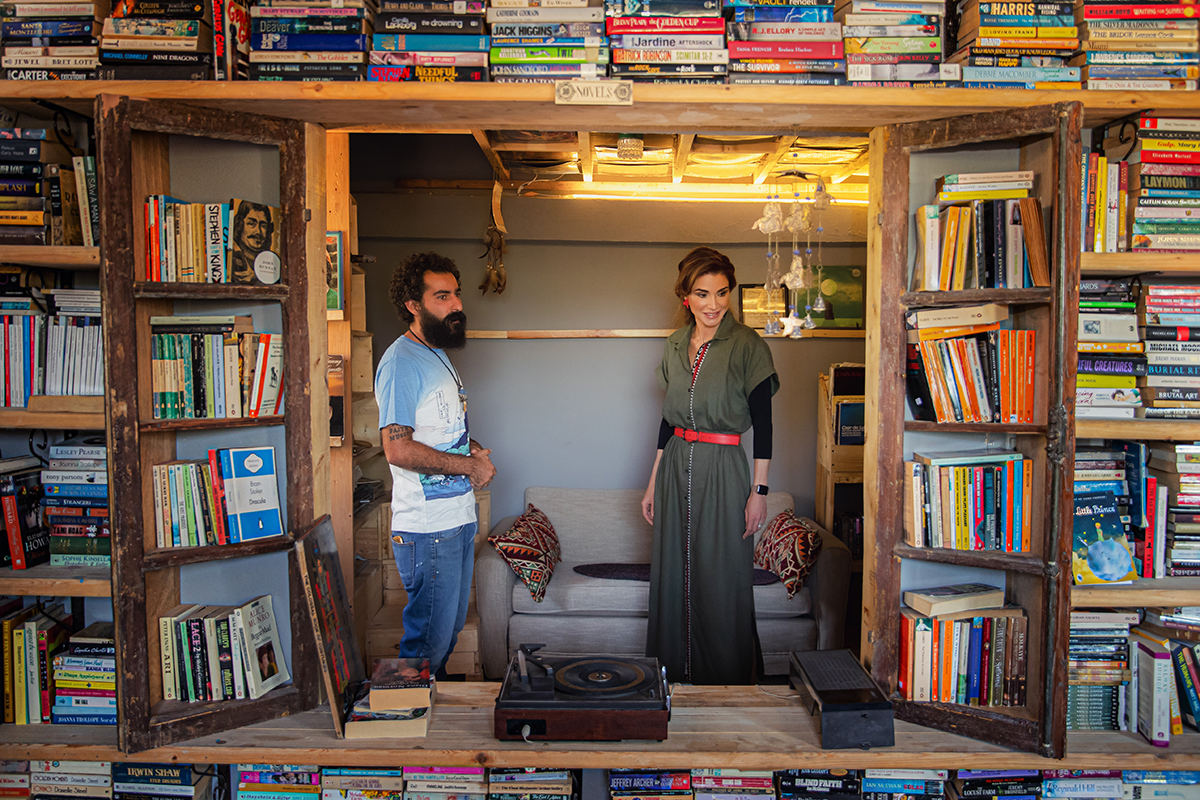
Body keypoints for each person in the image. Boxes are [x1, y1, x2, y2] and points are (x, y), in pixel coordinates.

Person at [641, 246, 778, 685]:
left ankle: (727, 683)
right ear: (686, 296)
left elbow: (765, 426)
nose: (714, 304)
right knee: (672, 574)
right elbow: (668, 419)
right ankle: (671, 678)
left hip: (723, 467)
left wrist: (759, 493)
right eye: (702, 294)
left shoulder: (747, 346)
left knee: (721, 576)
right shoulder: (676, 344)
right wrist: (652, 482)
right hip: (676, 463)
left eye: (722, 293)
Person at [376, 252, 496, 677]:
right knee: (427, 643)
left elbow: (442, 431)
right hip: (428, 529)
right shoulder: (401, 363)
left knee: (443, 638)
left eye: (456, 295)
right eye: (442, 296)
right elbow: (398, 449)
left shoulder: (437, 353)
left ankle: (431, 727)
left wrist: (473, 450)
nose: (456, 305)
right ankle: (405, 735)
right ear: (414, 305)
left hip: (455, 519)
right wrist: (468, 468)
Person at [230, 201, 275, 284]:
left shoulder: (272, 262)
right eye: (251, 224)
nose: (258, 231)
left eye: (263, 226)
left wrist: (257, 278)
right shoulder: (232, 258)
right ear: (240, 225)